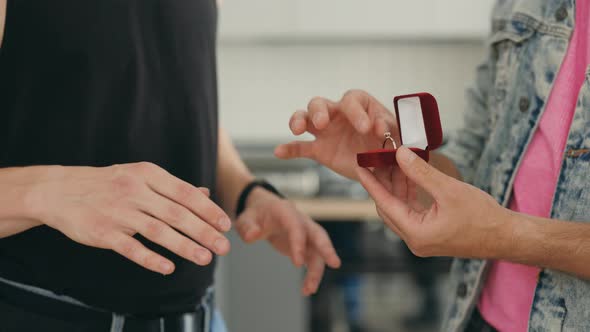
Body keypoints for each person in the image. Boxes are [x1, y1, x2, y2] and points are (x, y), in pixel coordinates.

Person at [0, 1, 340, 331]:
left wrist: (246, 192)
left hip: (202, 315)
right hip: (40, 313)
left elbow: (181, 102)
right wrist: (54, 191)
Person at [276, 0, 590, 331]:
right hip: (477, 316)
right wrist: (401, 161)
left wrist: (503, 234)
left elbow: (494, 225)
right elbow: (477, 164)